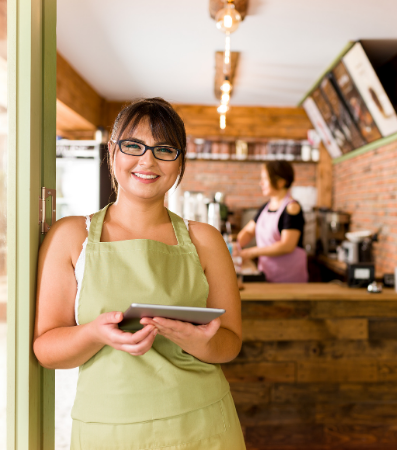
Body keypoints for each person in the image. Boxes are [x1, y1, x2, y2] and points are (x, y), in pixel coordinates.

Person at [33, 98, 246, 449]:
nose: (147, 160)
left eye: (165, 149)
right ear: (112, 152)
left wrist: (201, 343)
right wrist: (94, 334)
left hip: (202, 422)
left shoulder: (206, 240)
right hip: (109, 428)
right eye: (133, 145)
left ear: (180, 162)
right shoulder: (71, 236)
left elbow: (231, 344)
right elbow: (46, 349)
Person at [237, 161, 308, 283]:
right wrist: (235, 246)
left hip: (290, 280)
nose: (261, 183)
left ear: (280, 182)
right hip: (267, 274)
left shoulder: (292, 208)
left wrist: (251, 252)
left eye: (265, 179)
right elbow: (249, 231)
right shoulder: (265, 207)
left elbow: (287, 245)